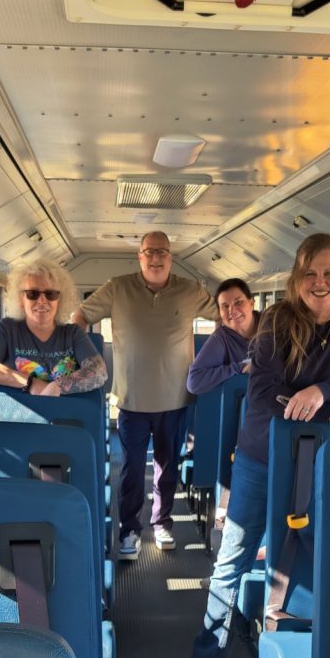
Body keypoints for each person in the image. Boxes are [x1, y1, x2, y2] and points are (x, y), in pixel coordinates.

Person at [169, 233, 330, 658]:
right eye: (309, 273)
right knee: (231, 561)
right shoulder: (275, 322)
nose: (320, 283)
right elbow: (266, 393)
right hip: (263, 456)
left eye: (329, 272)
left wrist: (325, 392)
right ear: (295, 278)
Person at [73, 232, 216, 560]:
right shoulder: (117, 288)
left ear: (171, 257)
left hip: (177, 398)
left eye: (162, 252)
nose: (156, 257)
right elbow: (80, 316)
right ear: (139, 257)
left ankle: (162, 524)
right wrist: (78, 355)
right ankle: (129, 531)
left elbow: (227, 315)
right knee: (132, 468)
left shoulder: (190, 290)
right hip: (131, 399)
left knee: (168, 465)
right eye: (149, 252)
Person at [0, 258, 106, 396]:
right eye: (32, 293)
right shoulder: (7, 329)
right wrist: (30, 383)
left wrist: (58, 387)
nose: (42, 301)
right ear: (21, 300)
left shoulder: (72, 334)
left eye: (51, 294)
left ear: (59, 300)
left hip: (65, 415)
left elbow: (98, 371)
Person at [186, 278, 260, 396]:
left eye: (238, 302)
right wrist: (240, 367)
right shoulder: (221, 338)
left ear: (251, 303)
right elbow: (194, 382)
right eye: (225, 306)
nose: (232, 311)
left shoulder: (272, 326)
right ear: (220, 312)